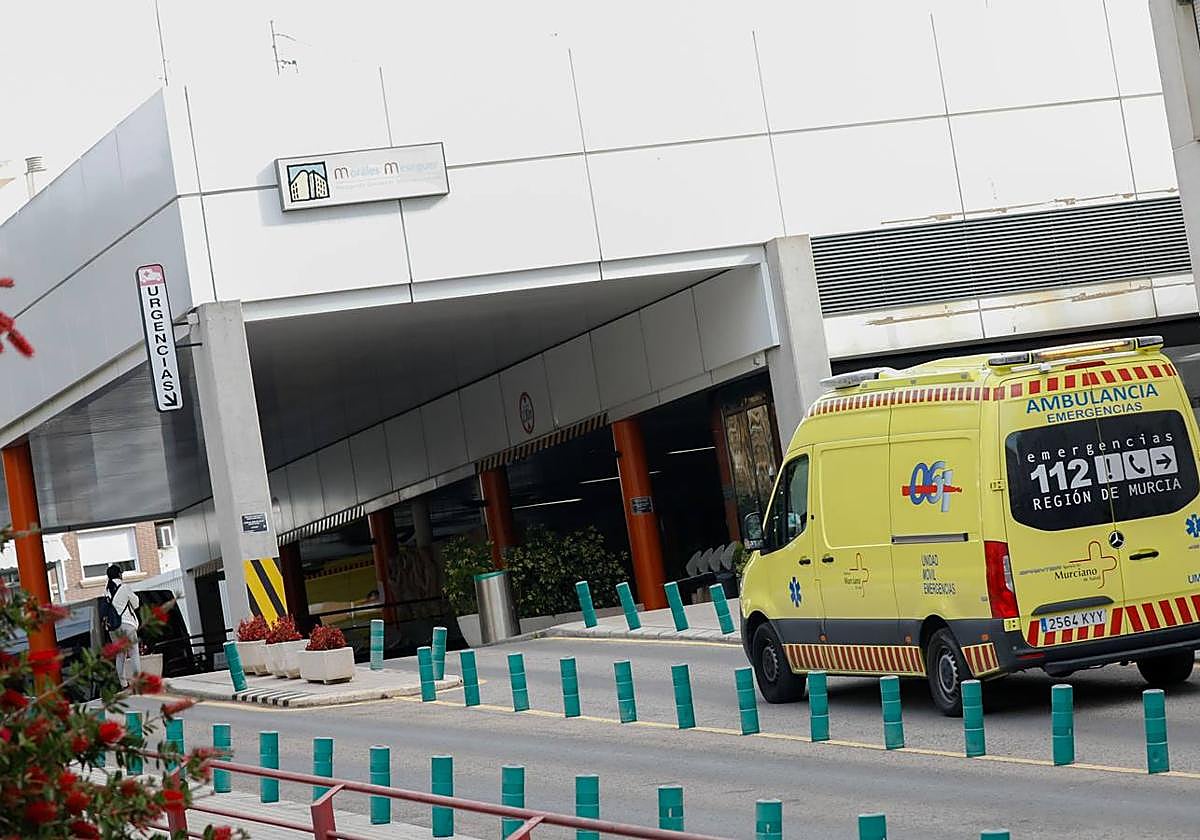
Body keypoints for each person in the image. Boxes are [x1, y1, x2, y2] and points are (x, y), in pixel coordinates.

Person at [106, 564, 141, 686]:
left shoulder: (107, 591)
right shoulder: (124, 587)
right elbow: (136, 604)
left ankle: (123, 684)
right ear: (119, 574)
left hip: (113, 628)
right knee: (134, 653)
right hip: (127, 624)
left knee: (120, 655)